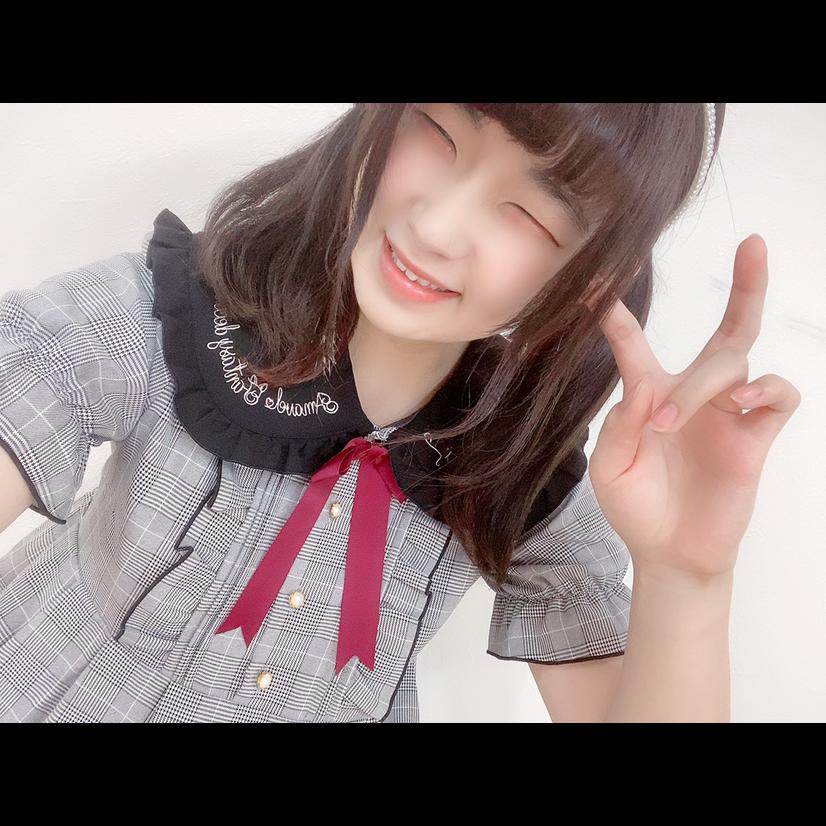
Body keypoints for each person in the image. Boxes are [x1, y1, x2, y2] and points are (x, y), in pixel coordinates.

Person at [0, 103, 800, 723]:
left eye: (531, 212)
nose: (437, 227)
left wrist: (686, 576)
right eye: (438, 131)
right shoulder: (172, 320)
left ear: (591, 273)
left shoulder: (513, 461)